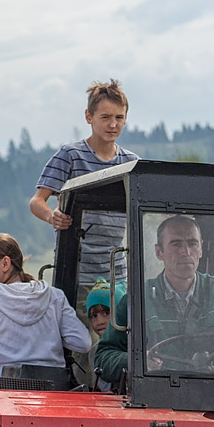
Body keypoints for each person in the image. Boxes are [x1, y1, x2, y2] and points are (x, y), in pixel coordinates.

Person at [94, 215, 214, 385]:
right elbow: (103, 357)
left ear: (201, 249)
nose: (186, 252)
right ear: (159, 252)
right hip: (158, 393)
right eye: (176, 244)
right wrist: (138, 361)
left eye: (192, 243)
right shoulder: (138, 299)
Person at [30, 79, 137, 288]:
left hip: (117, 275)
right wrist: (52, 217)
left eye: (119, 117)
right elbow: (36, 202)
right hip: (76, 274)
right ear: (89, 117)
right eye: (105, 117)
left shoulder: (131, 163)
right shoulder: (70, 156)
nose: (113, 124)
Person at [0, 233, 92, 382]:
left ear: (5, 263)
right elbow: (82, 343)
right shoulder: (55, 297)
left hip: (6, 389)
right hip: (54, 388)